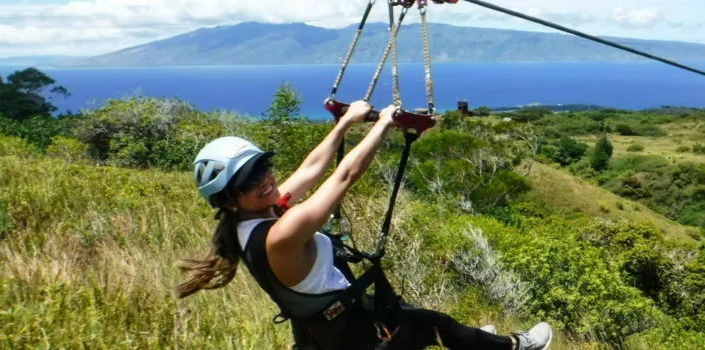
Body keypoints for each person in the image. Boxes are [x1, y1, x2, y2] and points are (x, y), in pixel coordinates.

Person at [174, 101, 553, 350]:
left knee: (417, 317)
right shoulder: (279, 235)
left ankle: (470, 341)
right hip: (351, 335)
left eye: (262, 165)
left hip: (334, 319)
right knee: (430, 324)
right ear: (228, 200)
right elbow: (344, 176)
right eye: (248, 180)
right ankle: (516, 346)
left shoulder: (255, 213)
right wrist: (385, 123)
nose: (264, 178)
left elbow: (310, 168)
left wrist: (345, 123)